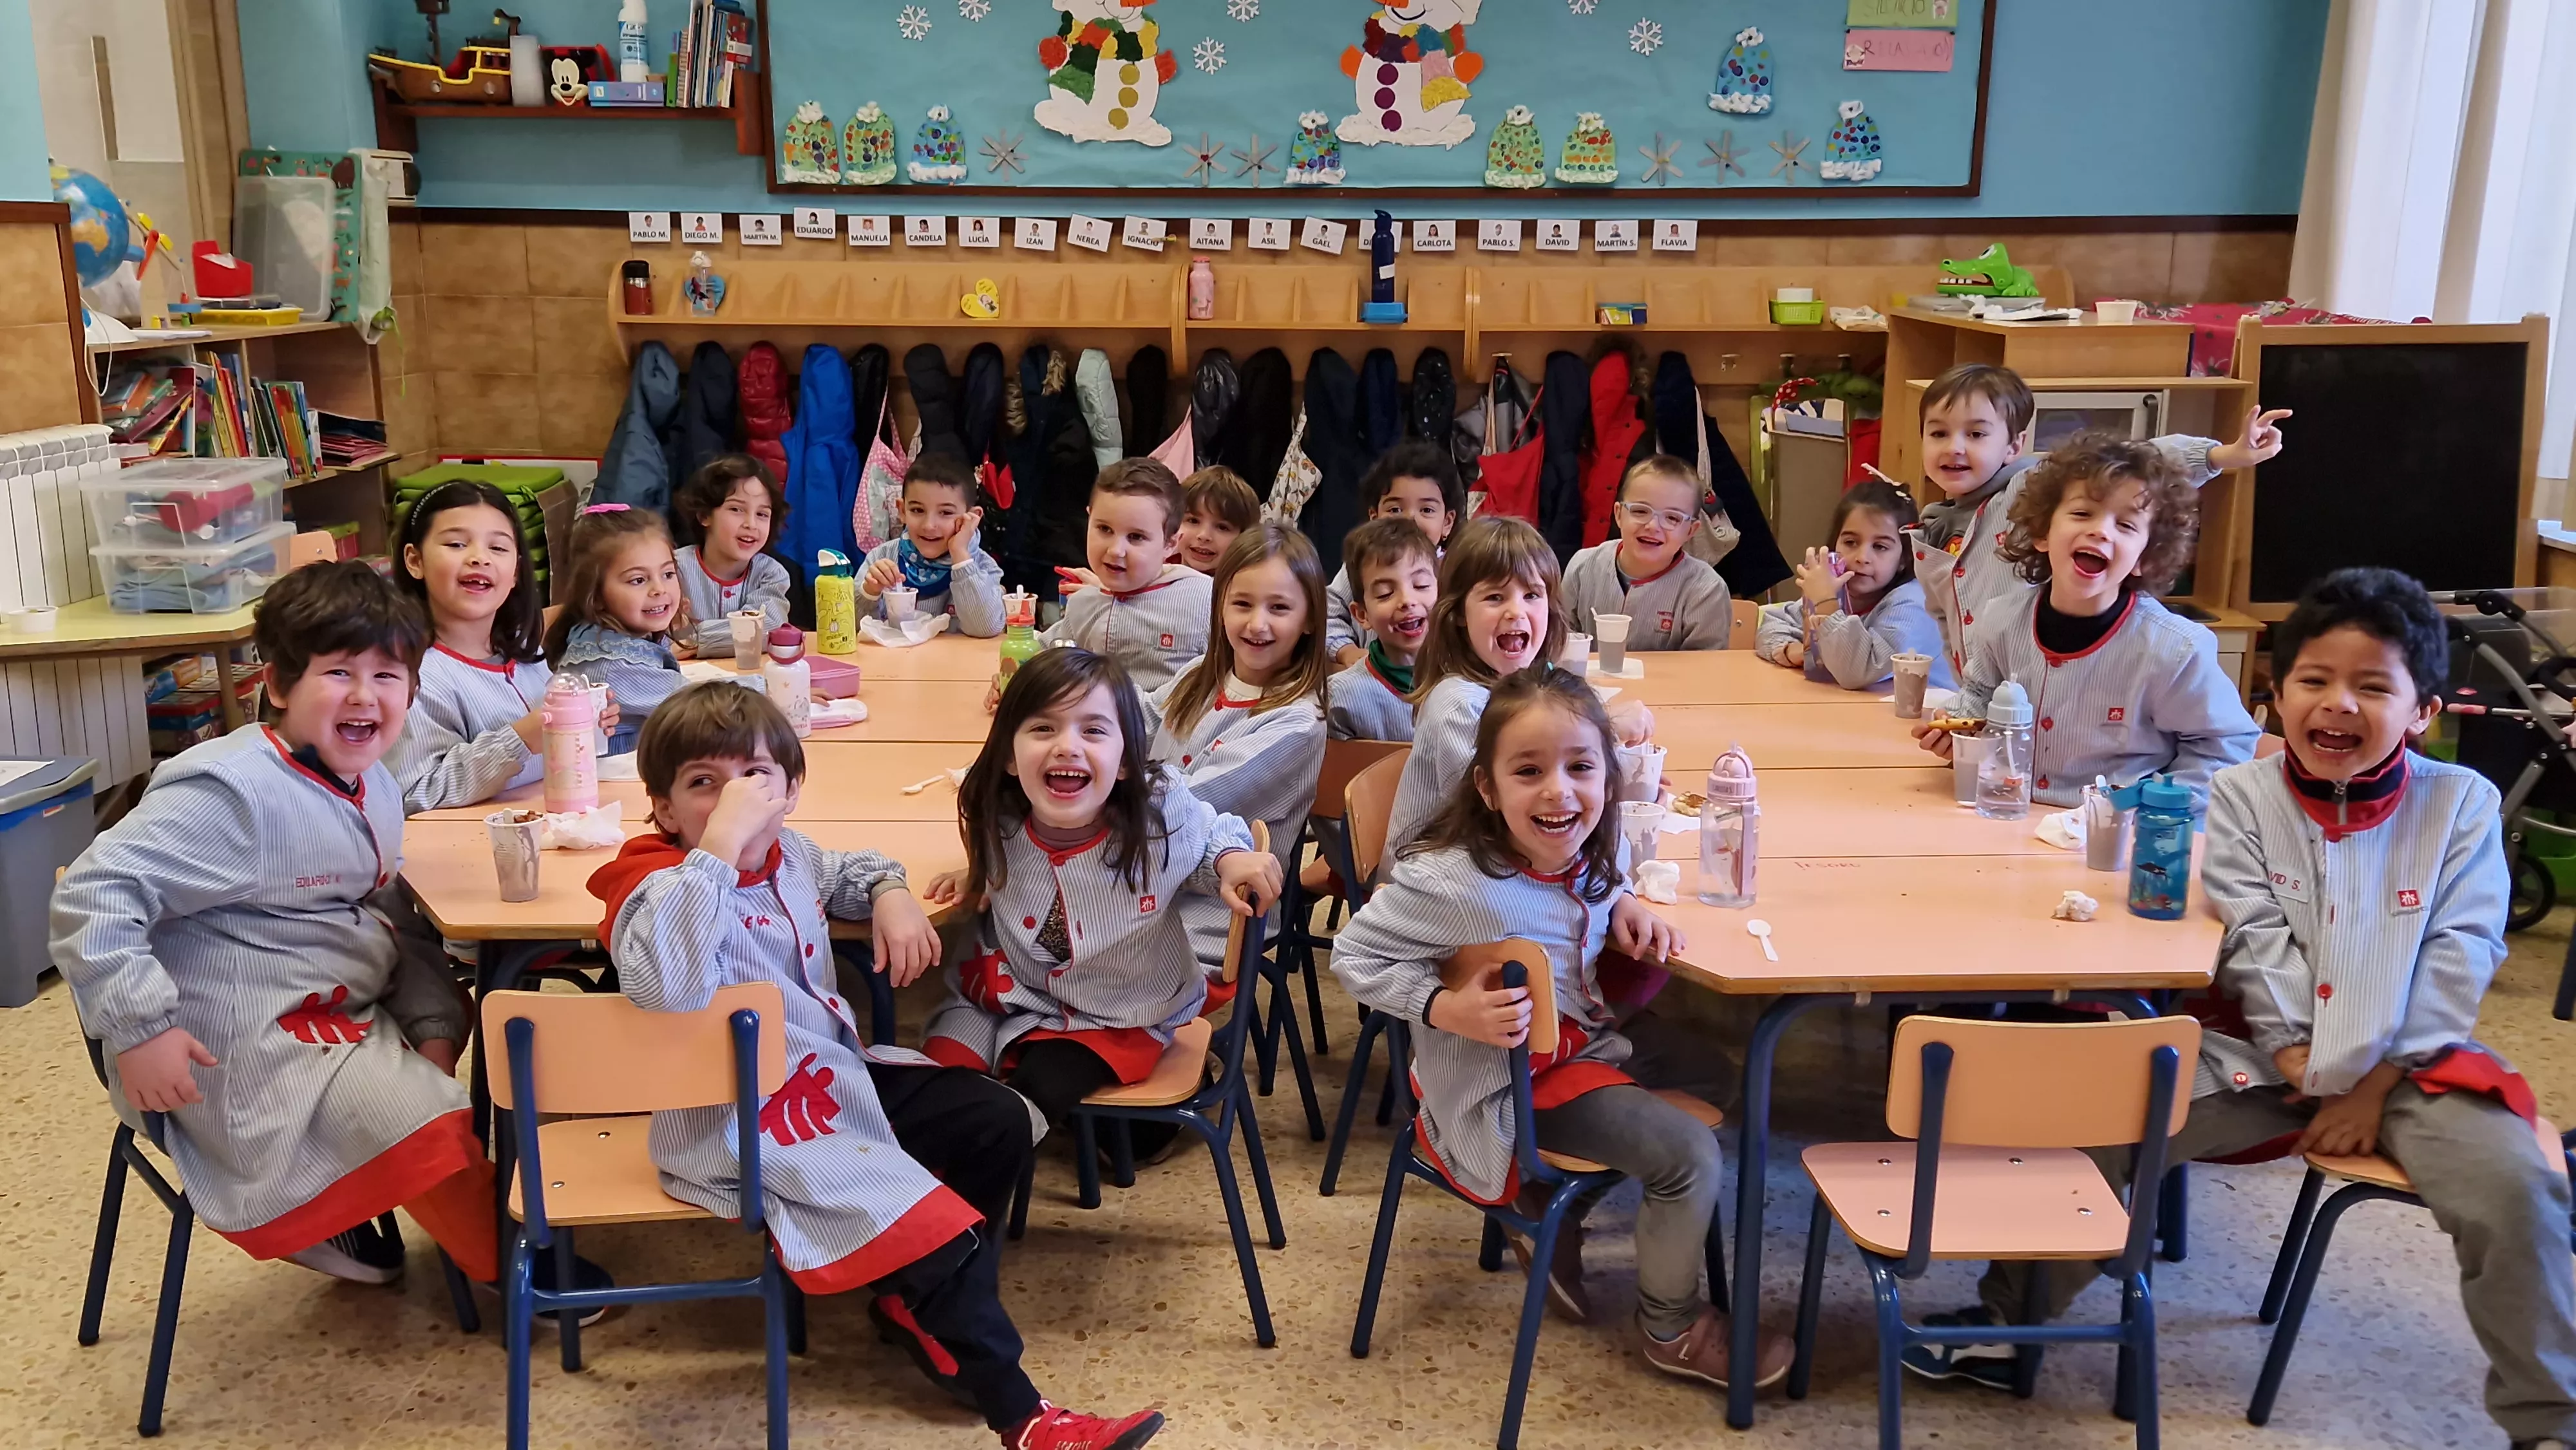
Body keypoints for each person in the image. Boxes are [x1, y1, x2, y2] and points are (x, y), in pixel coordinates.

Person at [1909, 569, 2576, 1450]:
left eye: (2373, 687)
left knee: (2516, 1190)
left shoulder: (2461, 804)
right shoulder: (2241, 797)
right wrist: (2302, 1056)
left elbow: (2460, 959)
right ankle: (2009, 1326)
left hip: (2412, 1068)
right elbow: (2256, 938)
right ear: (2278, 691)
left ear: (2423, 713)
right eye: (2315, 681)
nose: (2338, 705)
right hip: (2268, 1055)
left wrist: (2366, 1090)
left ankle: (2548, 1425)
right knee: (2097, 1120)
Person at [586, 683, 1169, 1450]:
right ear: (662, 809)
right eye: (705, 785)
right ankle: (1027, 1419)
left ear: (791, 789)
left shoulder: (791, 853)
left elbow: (847, 866)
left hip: (831, 1077)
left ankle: (912, 1298)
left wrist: (890, 890)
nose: (735, 802)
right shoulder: (661, 886)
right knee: (922, 1213)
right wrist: (717, 850)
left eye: (753, 780)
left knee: (992, 1117)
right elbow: (666, 983)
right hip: (739, 1120)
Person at [1330, 668, 1794, 1391]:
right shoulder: (1451, 881)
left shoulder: (1576, 848)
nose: (1558, 791)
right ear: (1487, 787)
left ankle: (1544, 1203)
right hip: (1512, 1077)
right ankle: (1670, 1327)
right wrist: (1441, 1007)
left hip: (1579, 1039)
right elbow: (1354, 953)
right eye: (1529, 770)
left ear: (1609, 777)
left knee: (1714, 1071)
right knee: (1688, 1156)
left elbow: (1586, 888)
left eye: (1581, 768)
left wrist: (1626, 903)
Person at [53, 561, 498, 1290]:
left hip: (326, 998)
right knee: (421, 1114)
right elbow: (93, 895)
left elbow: (380, 905)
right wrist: (140, 1029)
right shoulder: (232, 790)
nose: (364, 695)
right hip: (234, 1038)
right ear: (280, 685)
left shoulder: (373, 779)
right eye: (337, 672)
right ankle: (516, 1274)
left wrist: (432, 1022)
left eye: (388, 676)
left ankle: (354, 1202)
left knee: (463, 1018)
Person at [922, 648, 1278, 1135]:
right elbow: (1016, 862)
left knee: (1022, 1103)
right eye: (1043, 728)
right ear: (1008, 756)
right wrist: (981, 872)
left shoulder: (1156, 814)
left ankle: (979, 1186)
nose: (1067, 746)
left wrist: (1228, 858)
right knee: (938, 1078)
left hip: (1120, 1015)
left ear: (1127, 761)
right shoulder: (999, 814)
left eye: (1093, 730)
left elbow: (1212, 832)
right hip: (1016, 990)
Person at [1911, 435, 2260, 812]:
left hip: (2115, 837)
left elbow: (2225, 746)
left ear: (2146, 557)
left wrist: (2155, 808)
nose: (2101, 531)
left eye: (2126, 525)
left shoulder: (2175, 649)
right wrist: (1959, 726)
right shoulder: (2000, 620)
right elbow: (1981, 694)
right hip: (2009, 814)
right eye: (2082, 513)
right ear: (2043, 533)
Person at [1909, 362, 2288, 673]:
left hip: (2045, 673)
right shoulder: (1932, 527)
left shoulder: (2030, 486)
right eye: (1939, 433)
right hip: (1983, 687)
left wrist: (2225, 456)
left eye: (1976, 434)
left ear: (2014, 446)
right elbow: (1945, 617)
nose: (1954, 447)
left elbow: (2141, 458)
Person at [1385, 516, 1654, 858]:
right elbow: (1504, 820)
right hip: (1442, 890)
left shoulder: (1529, 688)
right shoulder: (1459, 706)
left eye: (1531, 595)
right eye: (1495, 597)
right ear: (1458, 614)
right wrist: (1609, 737)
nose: (1516, 611)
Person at [1148, 523, 1331, 990]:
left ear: (1310, 618)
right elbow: (1139, 716)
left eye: (1280, 608)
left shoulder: (1297, 726)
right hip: (1143, 888)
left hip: (1201, 925)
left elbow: (1181, 802)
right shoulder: (1203, 674)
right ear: (1220, 606)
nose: (1257, 624)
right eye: (1242, 604)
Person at [390, 478, 618, 813]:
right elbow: (417, 792)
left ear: (515, 573)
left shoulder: (525, 656)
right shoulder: (413, 676)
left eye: (497, 548)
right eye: (456, 544)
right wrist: (521, 739)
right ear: (415, 561)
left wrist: (585, 726)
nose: (479, 558)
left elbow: (550, 759)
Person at [1030, 460, 1212, 699]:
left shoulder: (1206, 600)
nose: (1116, 550)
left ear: (1170, 543)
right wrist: (1015, 678)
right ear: (1089, 518)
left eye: (1136, 537)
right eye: (1104, 529)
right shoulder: (1083, 603)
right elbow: (1043, 656)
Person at [1754, 480, 1951, 692]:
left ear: (1904, 558)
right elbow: (1772, 625)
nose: (1862, 557)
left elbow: (1857, 672)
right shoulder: (1841, 590)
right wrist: (1791, 650)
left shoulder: (1914, 603)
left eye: (1880, 547)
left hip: (1927, 716)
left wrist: (1826, 603)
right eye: (1851, 543)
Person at [549, 505, 690, 755]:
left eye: (668, 573)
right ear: (596, 595)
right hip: (613, 784)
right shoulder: (611, 662)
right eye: (638, 580)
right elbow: (702, 704)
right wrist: (771, 685)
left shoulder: (625, 634)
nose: (660, 589)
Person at [1560, 455, 1734, 652]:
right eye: (1641, 511)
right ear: (1618, 514)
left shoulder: (1707, 590)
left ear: (1691, 531)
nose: (1652, 526)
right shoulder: (1582, 568)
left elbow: (1705, 669)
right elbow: (1559, 644)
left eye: (1672, 518)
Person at [1328, 440, 1465, 666]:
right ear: (1374, 517)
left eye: (1427, 510)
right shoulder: (1363, 567)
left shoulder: (1458, 569)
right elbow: (1328, 614)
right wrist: (1346, 651)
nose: (1410, 518)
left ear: (1447, 522)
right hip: (1374, 681)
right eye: (1395, 509)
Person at [860, 453, 1007, 637]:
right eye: (917, 510)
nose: (929, 525)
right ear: (902, 510)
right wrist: (870, 592)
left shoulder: (983, 567)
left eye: (946, 512)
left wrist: (960, 557)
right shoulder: (881, 558)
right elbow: (846, 627)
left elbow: (986, 629)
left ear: (973, 517)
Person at [1324, 518, 1437, 742]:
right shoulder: (1342, 698)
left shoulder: (1470, 681)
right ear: (1362, 615)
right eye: (1385, 593)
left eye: (1421, 585)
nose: (1407, 600)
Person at [672, 455, 793, 659]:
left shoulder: (771, 574)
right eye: (736, 509)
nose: (751, 524)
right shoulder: (671, 568)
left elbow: (769, 629)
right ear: (704, 515)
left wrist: (692, 640)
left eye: (762, 514)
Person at [1175, 466, 1260, 575]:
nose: (1204, 536)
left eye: (1222, 527)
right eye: (1193, 521)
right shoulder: (1155, 574)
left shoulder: (1242, 589)